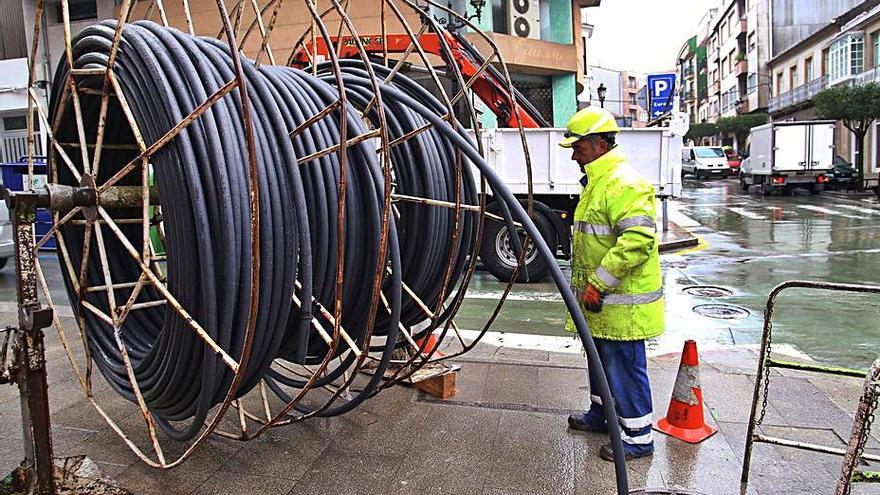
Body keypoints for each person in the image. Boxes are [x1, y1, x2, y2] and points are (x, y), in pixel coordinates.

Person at [558, 106, 664, 461]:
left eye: (578, 147)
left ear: (599, 144)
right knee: (600, 362)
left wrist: (599, 284)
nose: (574, 155)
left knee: (625, 368)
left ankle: (638, 437)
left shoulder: (624, 182)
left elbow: (637, 240)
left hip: (621, 305)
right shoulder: (597, 181)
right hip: (601, 305)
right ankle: (602, 415)